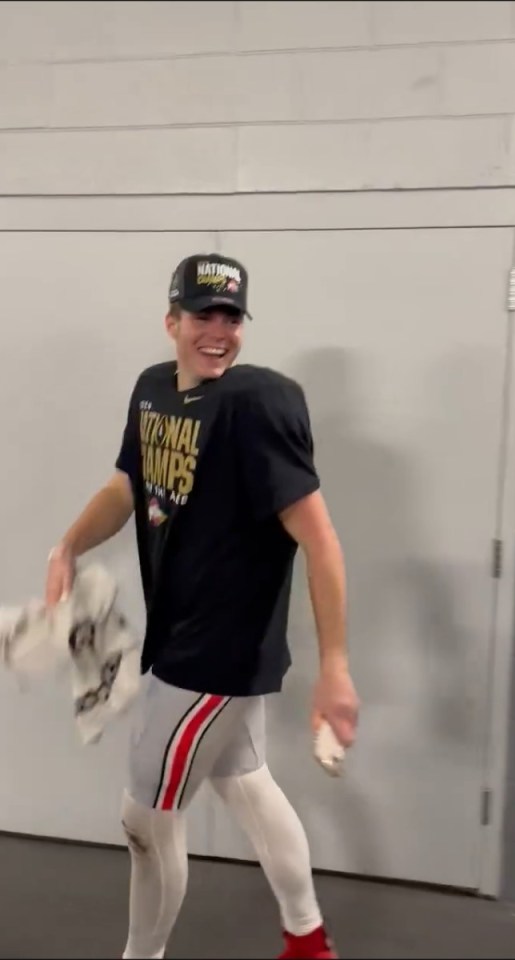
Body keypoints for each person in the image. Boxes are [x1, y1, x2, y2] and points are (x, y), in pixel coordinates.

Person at [45, 252, 360, 960]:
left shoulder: (255, 408)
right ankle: (308, 941)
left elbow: (322, 540)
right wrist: (70, 543)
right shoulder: (154, 389)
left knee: (144, 820)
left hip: (214, 655)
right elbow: (129, 483)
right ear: (171, 321)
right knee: (247, 783)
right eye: (201, 315)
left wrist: (336, 666)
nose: (217, 331)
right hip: (179, 634)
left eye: (231, 317)